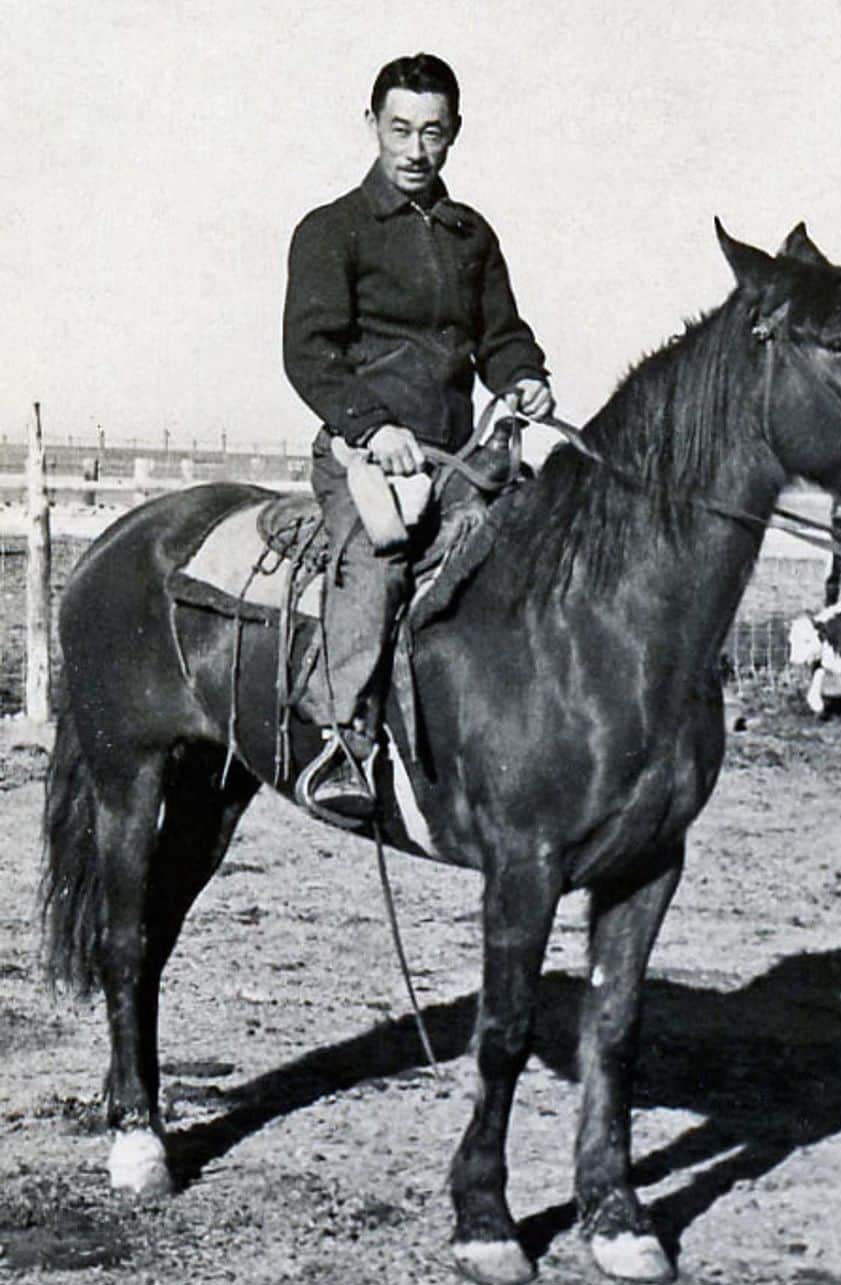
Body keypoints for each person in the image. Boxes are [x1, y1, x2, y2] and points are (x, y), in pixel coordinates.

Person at [283, 52, 555, 820]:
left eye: (431, 132)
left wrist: (523, 375)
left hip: (459, 457)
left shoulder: (473, 236)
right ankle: (344, 744)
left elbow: (501, 335)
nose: (413, 149)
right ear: (371, 125)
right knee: (379, 560)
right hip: (363, 455)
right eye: (399, 129)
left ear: (454, 135)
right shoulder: (332, 230)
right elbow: (309, 354)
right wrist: (373, 429)